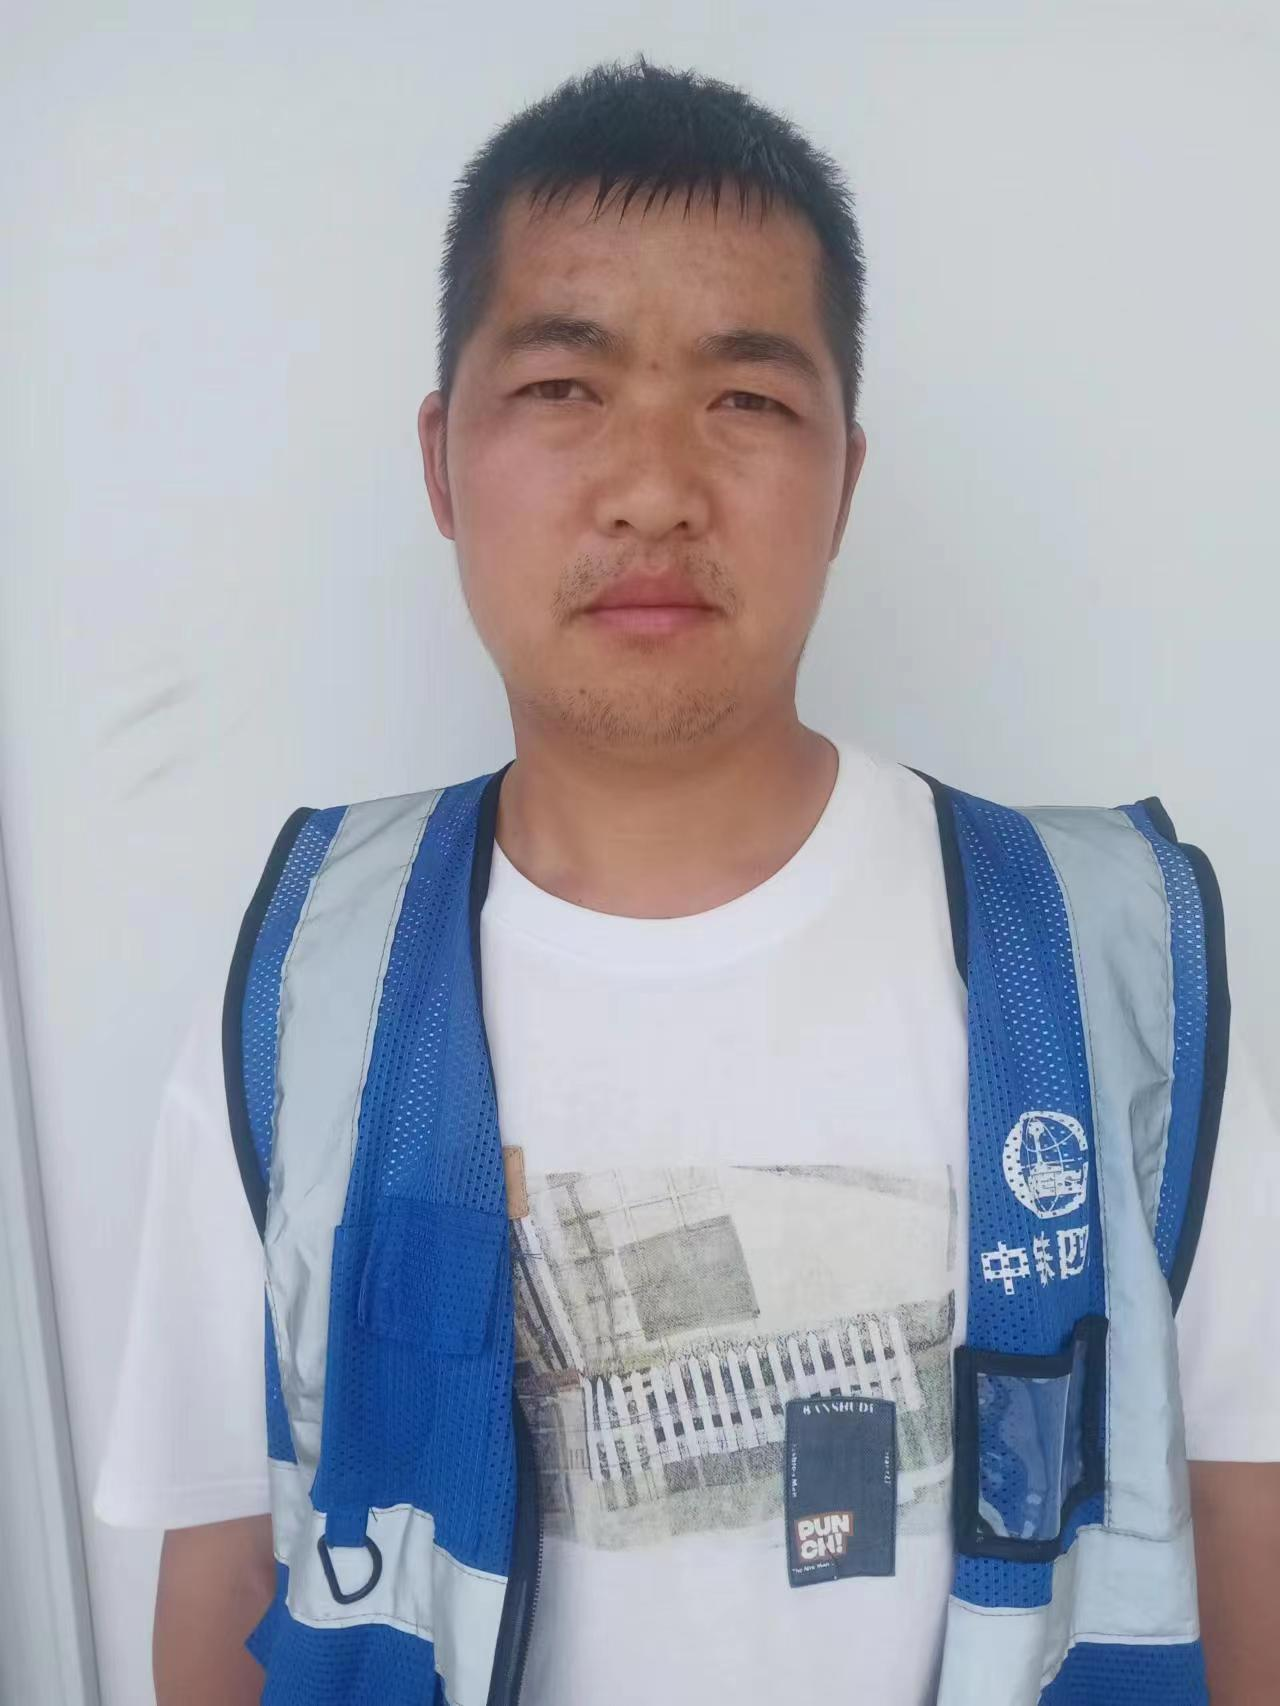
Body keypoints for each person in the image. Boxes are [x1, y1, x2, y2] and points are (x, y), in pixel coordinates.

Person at [95, 54, 1280, 1706]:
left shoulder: (1108, 967)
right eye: (563, 387)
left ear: (846, 474)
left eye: (747, 400)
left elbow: (1238, 1509)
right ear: (442, 462)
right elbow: (230, 1565)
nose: (654, 485)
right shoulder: (312, 988)